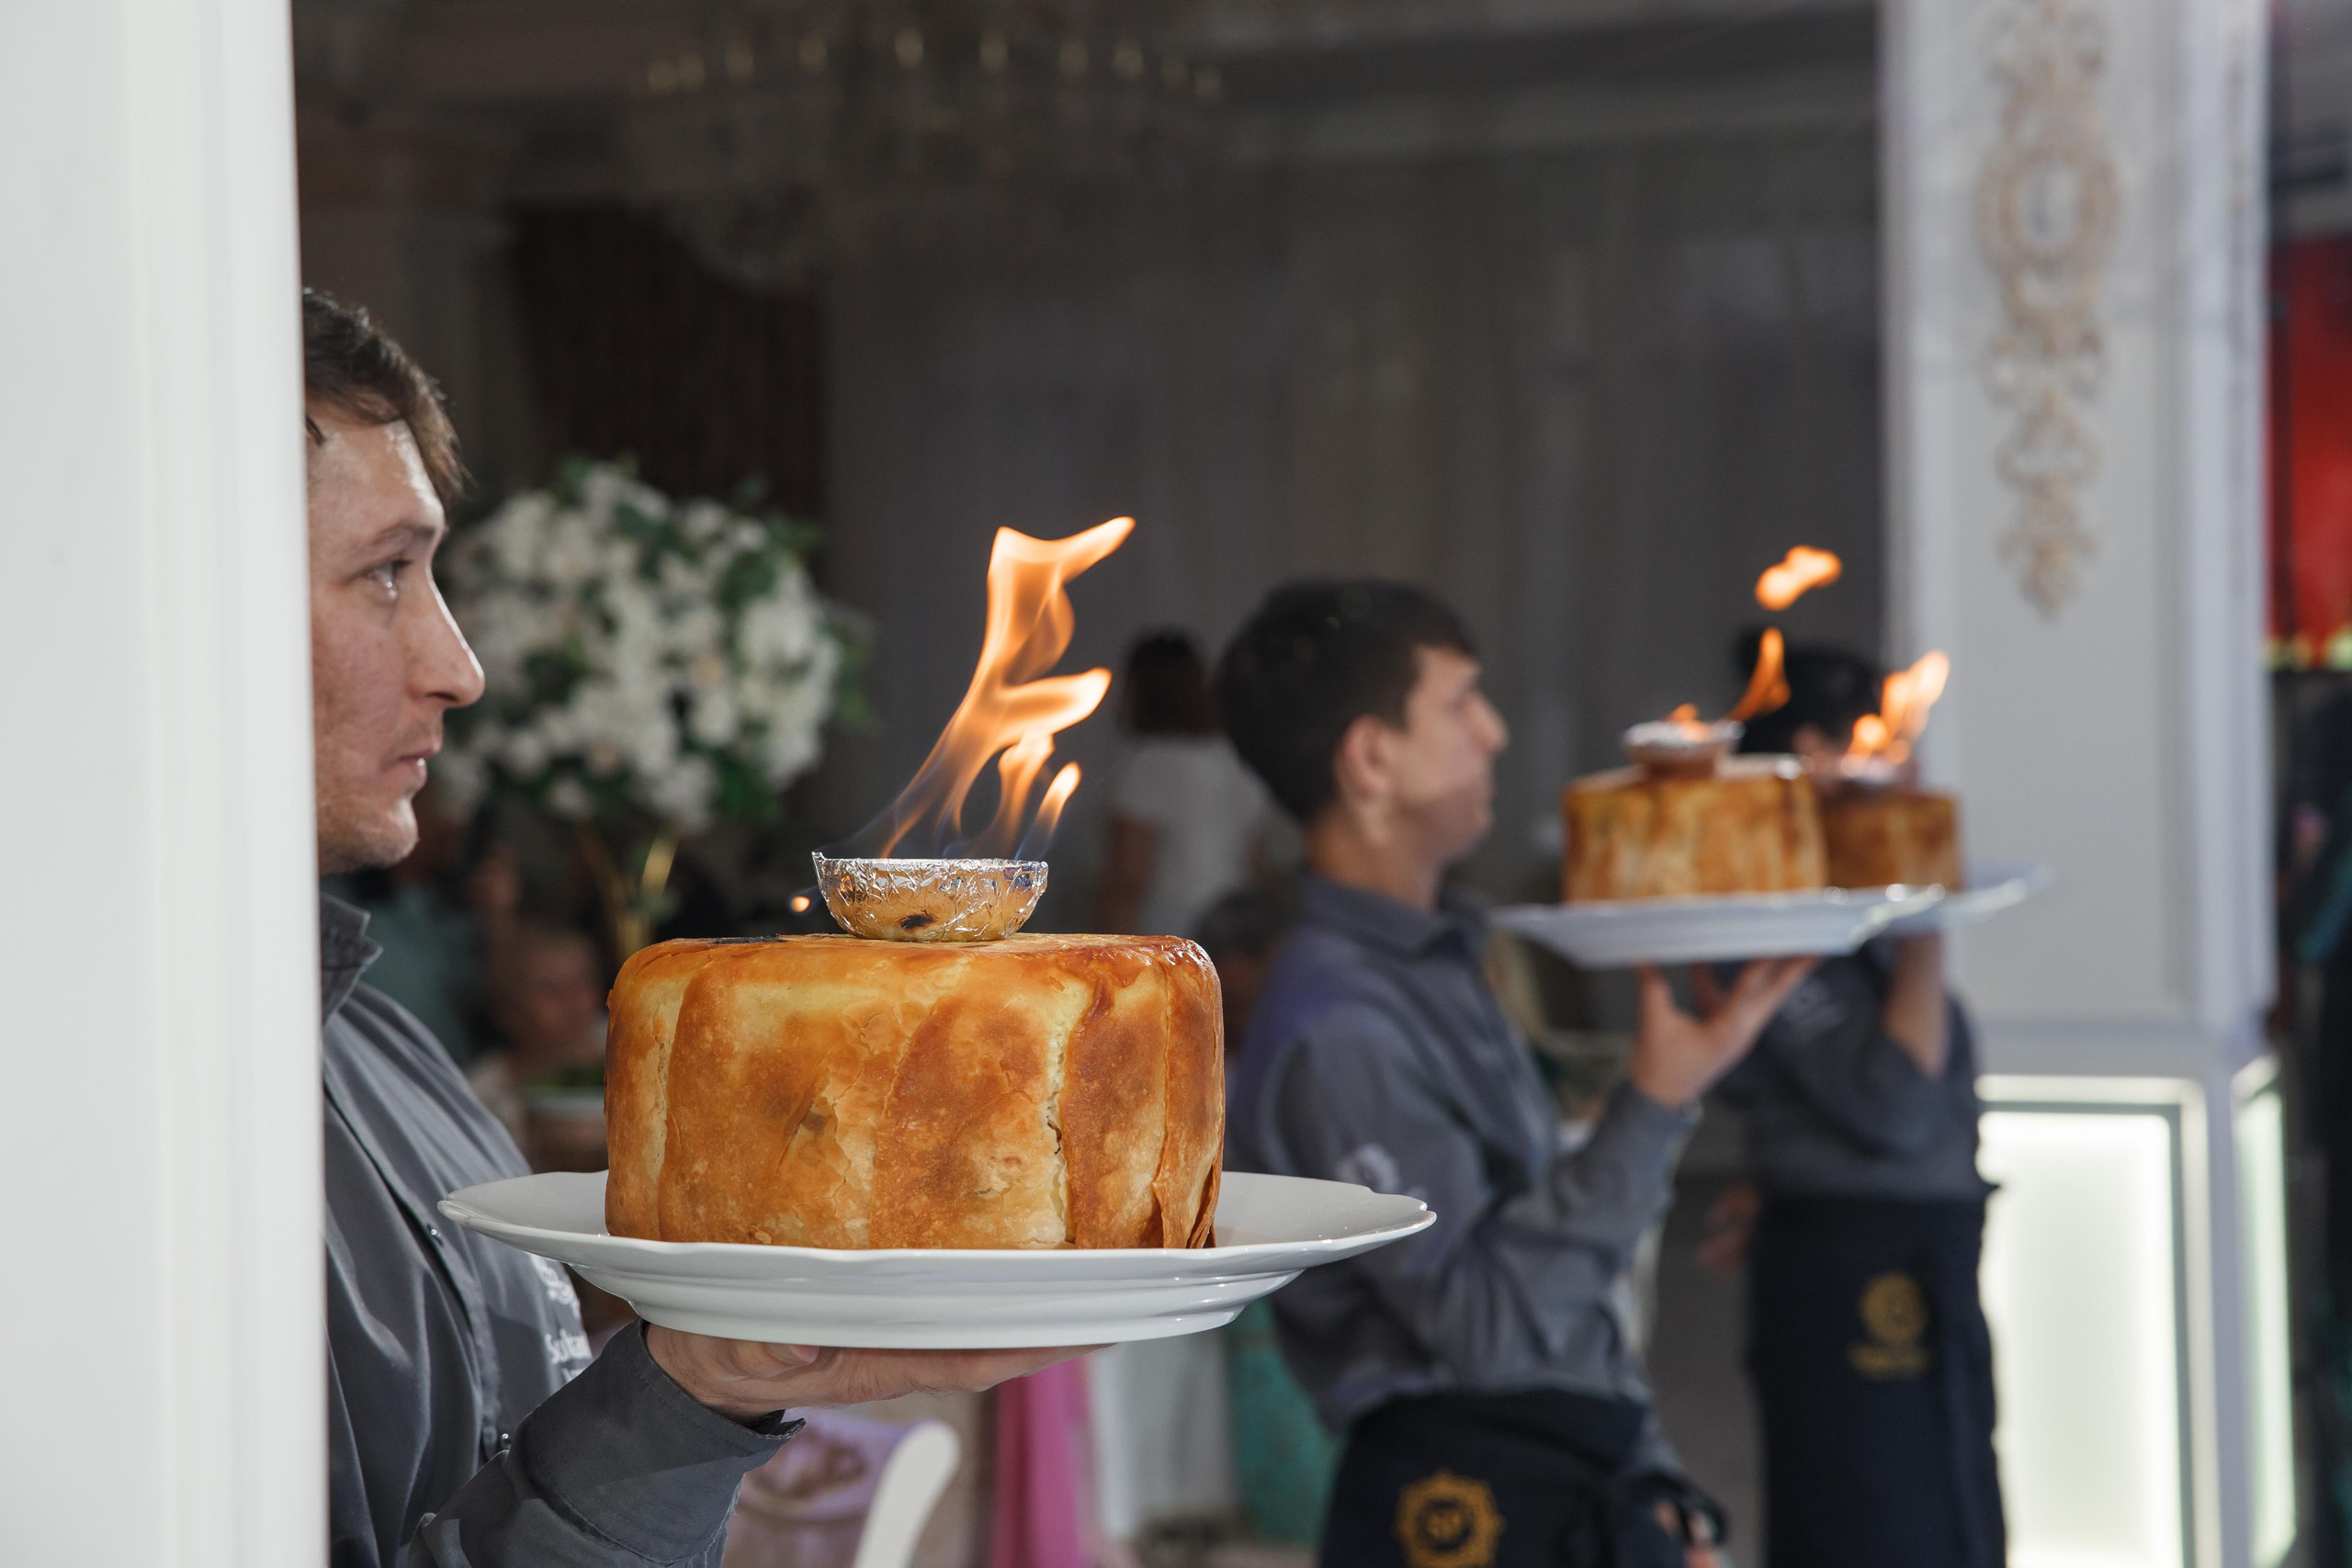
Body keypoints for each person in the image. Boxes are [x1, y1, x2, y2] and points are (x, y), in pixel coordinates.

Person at [302, 288, 1078, 1568]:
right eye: (386, 571)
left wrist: (712, 1368)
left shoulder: (390, 1054)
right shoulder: (99, 1150)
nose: (461, 665)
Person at [1216, 581, 1812, 1568]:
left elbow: (1557, 1304)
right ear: (1370, 758)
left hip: (1559, 1467)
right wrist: (1654, 1104)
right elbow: (1485, 1327)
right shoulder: (1341, 1026)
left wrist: (1652, 1484)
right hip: (1466, 1503)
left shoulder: (1442, 954)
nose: (1492, 733)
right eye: (1458, 703)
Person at [1702, 637, 2006, 1568]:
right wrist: (1927, 929)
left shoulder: (1845, 896)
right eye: (1874, 741)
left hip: (1915, 1251)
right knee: (1869, 1526)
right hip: (1849, 1273)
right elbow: (1895, 1102)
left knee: (1949, 1506)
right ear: (1811, 755)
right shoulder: (1761, 916)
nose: (1900, 767)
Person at [1092, 629, 1282, 937]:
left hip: (1170, 936)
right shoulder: (1237, 757)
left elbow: (1128, 878)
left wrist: (1103, 952)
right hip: (1234, 935)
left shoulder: (1148, 763)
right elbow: (1256, 863)